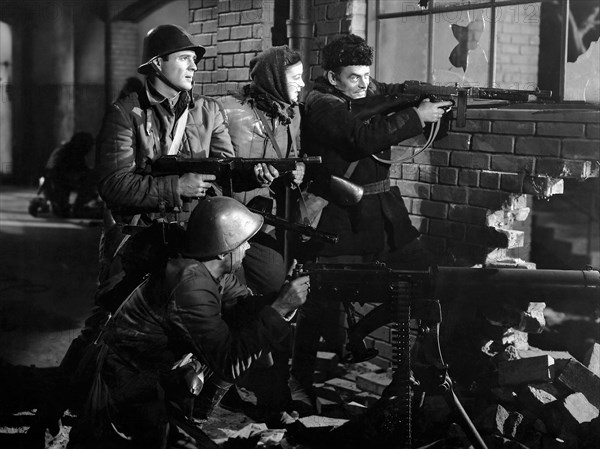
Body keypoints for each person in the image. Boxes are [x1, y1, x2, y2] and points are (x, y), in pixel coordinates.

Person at [289, 34, 453, 413]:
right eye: (354, 78)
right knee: (317, 297)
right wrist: (416, 116)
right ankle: (300, 379)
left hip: (381, 207)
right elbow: (358, 138)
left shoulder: (368, 91)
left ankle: (409, 368)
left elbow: (395, 100)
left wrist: (432, 106)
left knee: (424, 278)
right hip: (337, 212)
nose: (364, 84)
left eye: (367, 75)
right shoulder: (321, 104)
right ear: (332, 77)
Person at [66, 196, 311, 449]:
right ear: (222, 249)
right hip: (127, 390)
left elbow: (242, 307)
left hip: (153, 376)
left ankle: (190, 419)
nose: (248, 248)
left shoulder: (211, 270)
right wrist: (280, 308)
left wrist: (279, 297)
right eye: (243, 242)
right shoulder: (190, 284)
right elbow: (228, 361)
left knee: (242, 330)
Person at [218, 46, 306, 418]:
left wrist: (297, 170)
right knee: (234, 306)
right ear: (272, 79)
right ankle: (229, 386)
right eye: (295, 78)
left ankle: (271, 393)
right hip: (228, 224)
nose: (302, 85)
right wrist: (248, 173)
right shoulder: (229, 109)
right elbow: (216, 164)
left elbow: (295, 155)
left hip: (264, 223)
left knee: (274, 295)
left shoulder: (292, 114)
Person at [42, 131, 99, 217]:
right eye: (88, 145)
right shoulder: (67, 153)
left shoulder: (71, 151)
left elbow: (81, 169)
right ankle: (77, 206)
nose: (90, 148)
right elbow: (59, 173)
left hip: (59, 182)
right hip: (57, 183)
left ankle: (74, 206)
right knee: (91, 179)